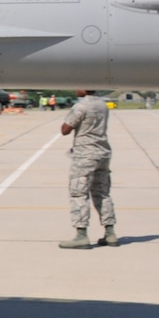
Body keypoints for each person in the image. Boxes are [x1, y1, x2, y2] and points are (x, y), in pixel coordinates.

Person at [58, 88, 118, 248]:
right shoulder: (102, 105)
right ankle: (110, 233)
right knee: (102, 193)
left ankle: (81, 235)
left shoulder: (81, 106)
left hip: (85, 155)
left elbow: (65, 130)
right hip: (103, 153)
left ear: (85, 88)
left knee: (79, 193)